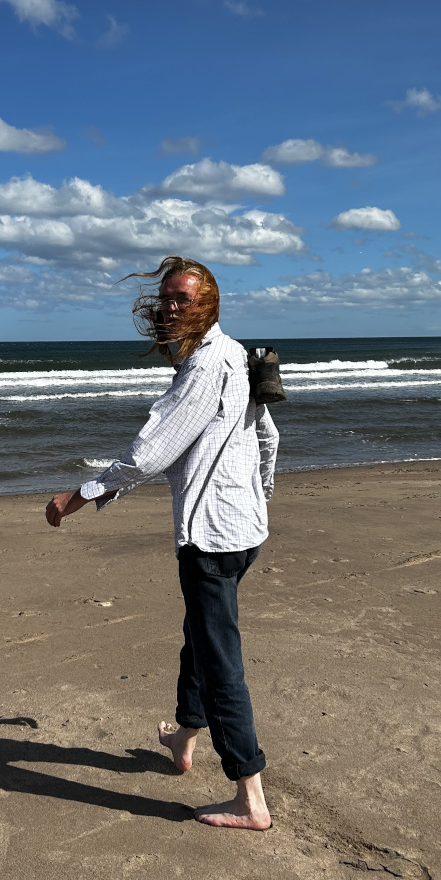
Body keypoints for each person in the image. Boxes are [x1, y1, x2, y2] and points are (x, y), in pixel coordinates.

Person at [45, 255, 278, 830]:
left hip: (211, 535)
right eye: (169, 297)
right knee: (200, 636)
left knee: (220, 659)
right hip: (243, 529)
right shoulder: (238, 355)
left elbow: (152, 451)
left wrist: (79, 497)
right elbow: (268, 434)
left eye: (186, 298)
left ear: (211, 304)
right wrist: (259, 495)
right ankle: (183, 737)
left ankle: (250, 798)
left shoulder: (204, 366)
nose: (173, 306)